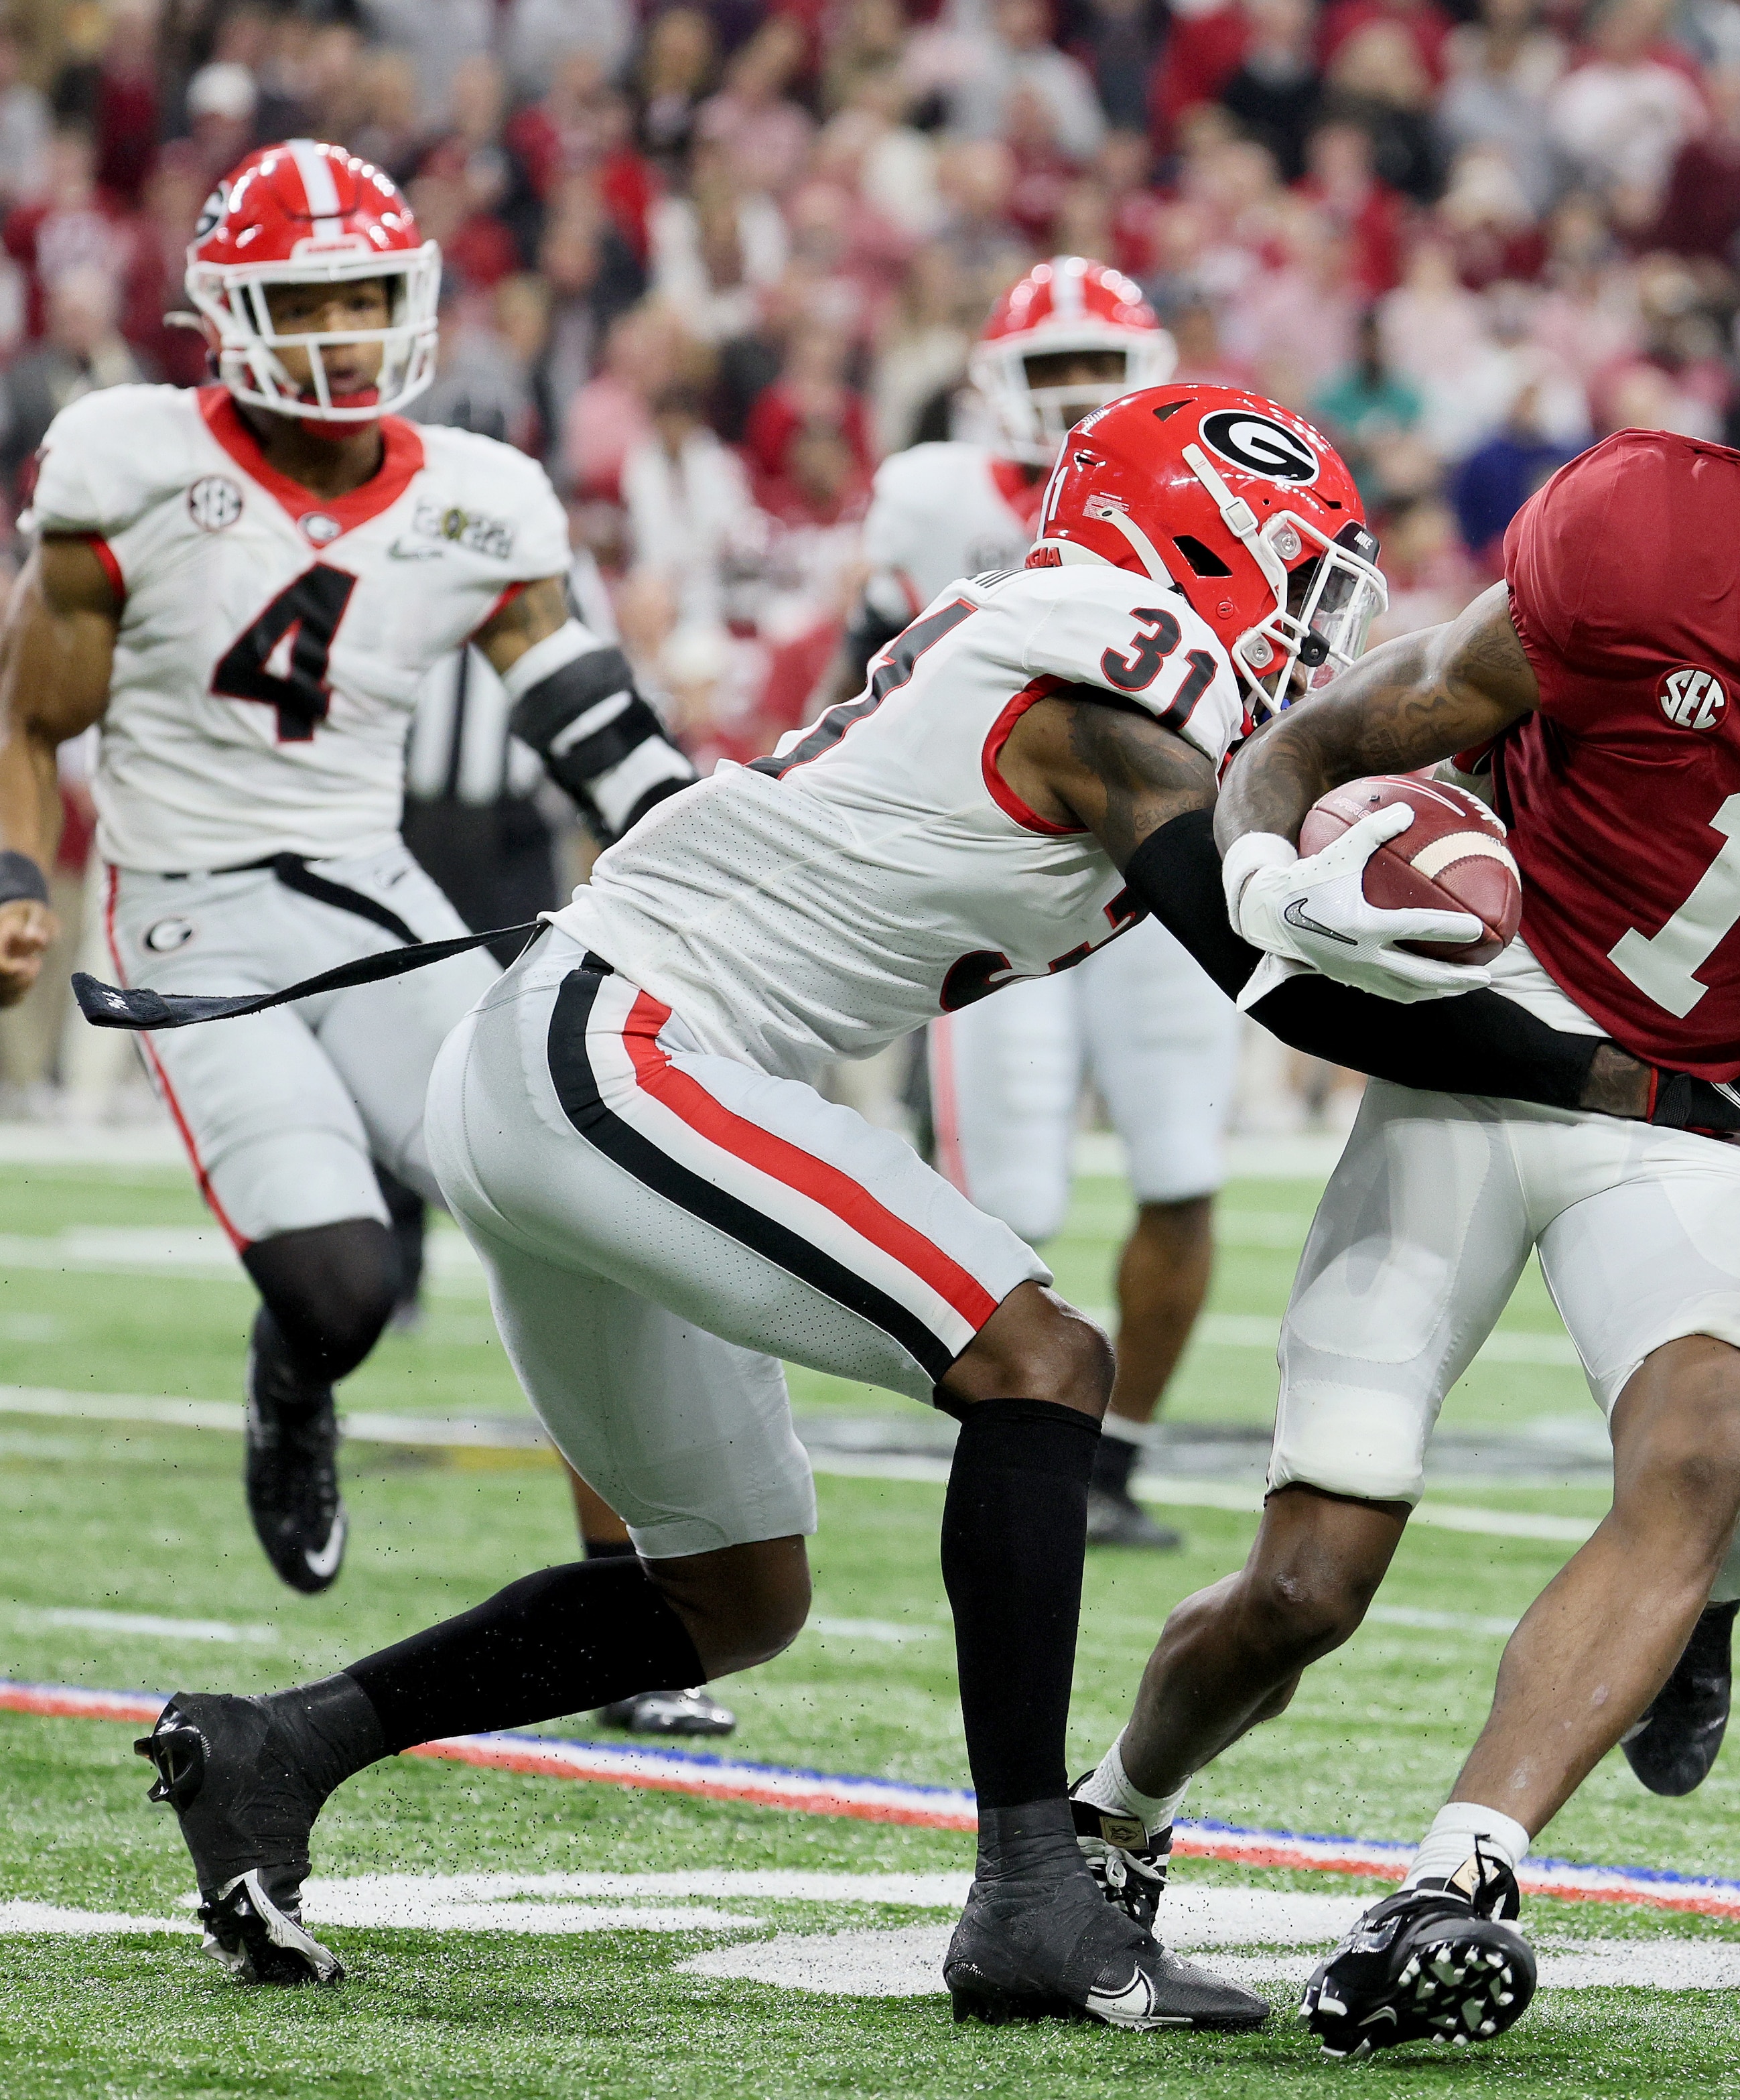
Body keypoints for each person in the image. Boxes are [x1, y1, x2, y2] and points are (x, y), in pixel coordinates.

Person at [111, 386, 1512, 2018]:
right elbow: (1263, 970)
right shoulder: (1111, 663)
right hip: (623, 1043)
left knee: (734, 1592)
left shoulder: (1080, 649)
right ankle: (1030, 1896)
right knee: (1040, 1359)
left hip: (572, 1056)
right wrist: (1597, 1061)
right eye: (1297, 577)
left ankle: (286, 1747)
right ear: (1194, 550)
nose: (1307, 628)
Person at [1065, 268, 1740, 2058]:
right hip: (1490, 1042)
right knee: (1306, 1583)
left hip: (1707, 1104)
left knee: (1716, 1458)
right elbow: (1345, 729)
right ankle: (1112, 1816)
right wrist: (1264, 871)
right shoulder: (1646, 544)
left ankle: (1458, 1878)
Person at [0, 142, 703, 1691]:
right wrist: (17, 874)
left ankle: (629, 1603)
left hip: (374, 898)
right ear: (230, 316)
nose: (342, 333)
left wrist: (706, 832)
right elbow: (33, 713)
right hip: (187, 916)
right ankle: (295, 1370)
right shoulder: (127, 461)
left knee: (573, 1200)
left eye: (368, 295)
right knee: (342, 1289)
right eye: (307, 301)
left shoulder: (475, 495)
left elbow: (584, 709)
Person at [846, 257, 1208, 1550]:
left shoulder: (1200, 488)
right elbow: (869, 678)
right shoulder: (934, 498)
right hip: (1000, 876)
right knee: (1008, 1196)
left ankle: (1123, 1461)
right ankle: (1013, 1440)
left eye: (1095, 370)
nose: (1072, 397)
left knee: (1182, 1169)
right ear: (997, 383)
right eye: (1050, 371)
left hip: (1163, 880)